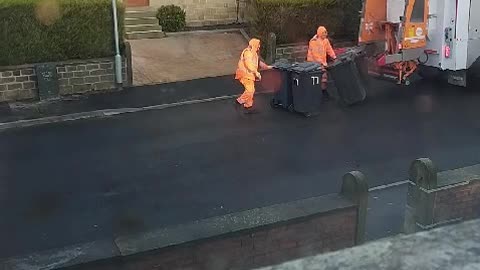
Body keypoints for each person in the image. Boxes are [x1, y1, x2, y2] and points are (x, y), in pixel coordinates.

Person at [235, 38, 272, 112]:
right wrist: (256, 72)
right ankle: (243, 103)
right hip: (244, 74)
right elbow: (249, 64)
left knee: (250, 90)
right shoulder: (248, 53)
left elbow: (259, 63)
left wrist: (268, 67)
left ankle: (247, 104)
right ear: (254, 45)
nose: (259, 47)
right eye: (258, 45)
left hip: (249, 75)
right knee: (250, 90)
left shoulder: (253, 53)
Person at [307, 26, 337, 99]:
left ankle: (323, 91)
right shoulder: (313, 41)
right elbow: (315, 54)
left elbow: (329, 50)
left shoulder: (325, 41)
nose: (325, 34)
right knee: (316, 78)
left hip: (321, 62)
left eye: (326, 32)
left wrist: (334, 57)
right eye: (324, 32)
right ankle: (317, 92)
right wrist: (322, 63)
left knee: (323, 77)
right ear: (320, 33)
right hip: (313, 63)